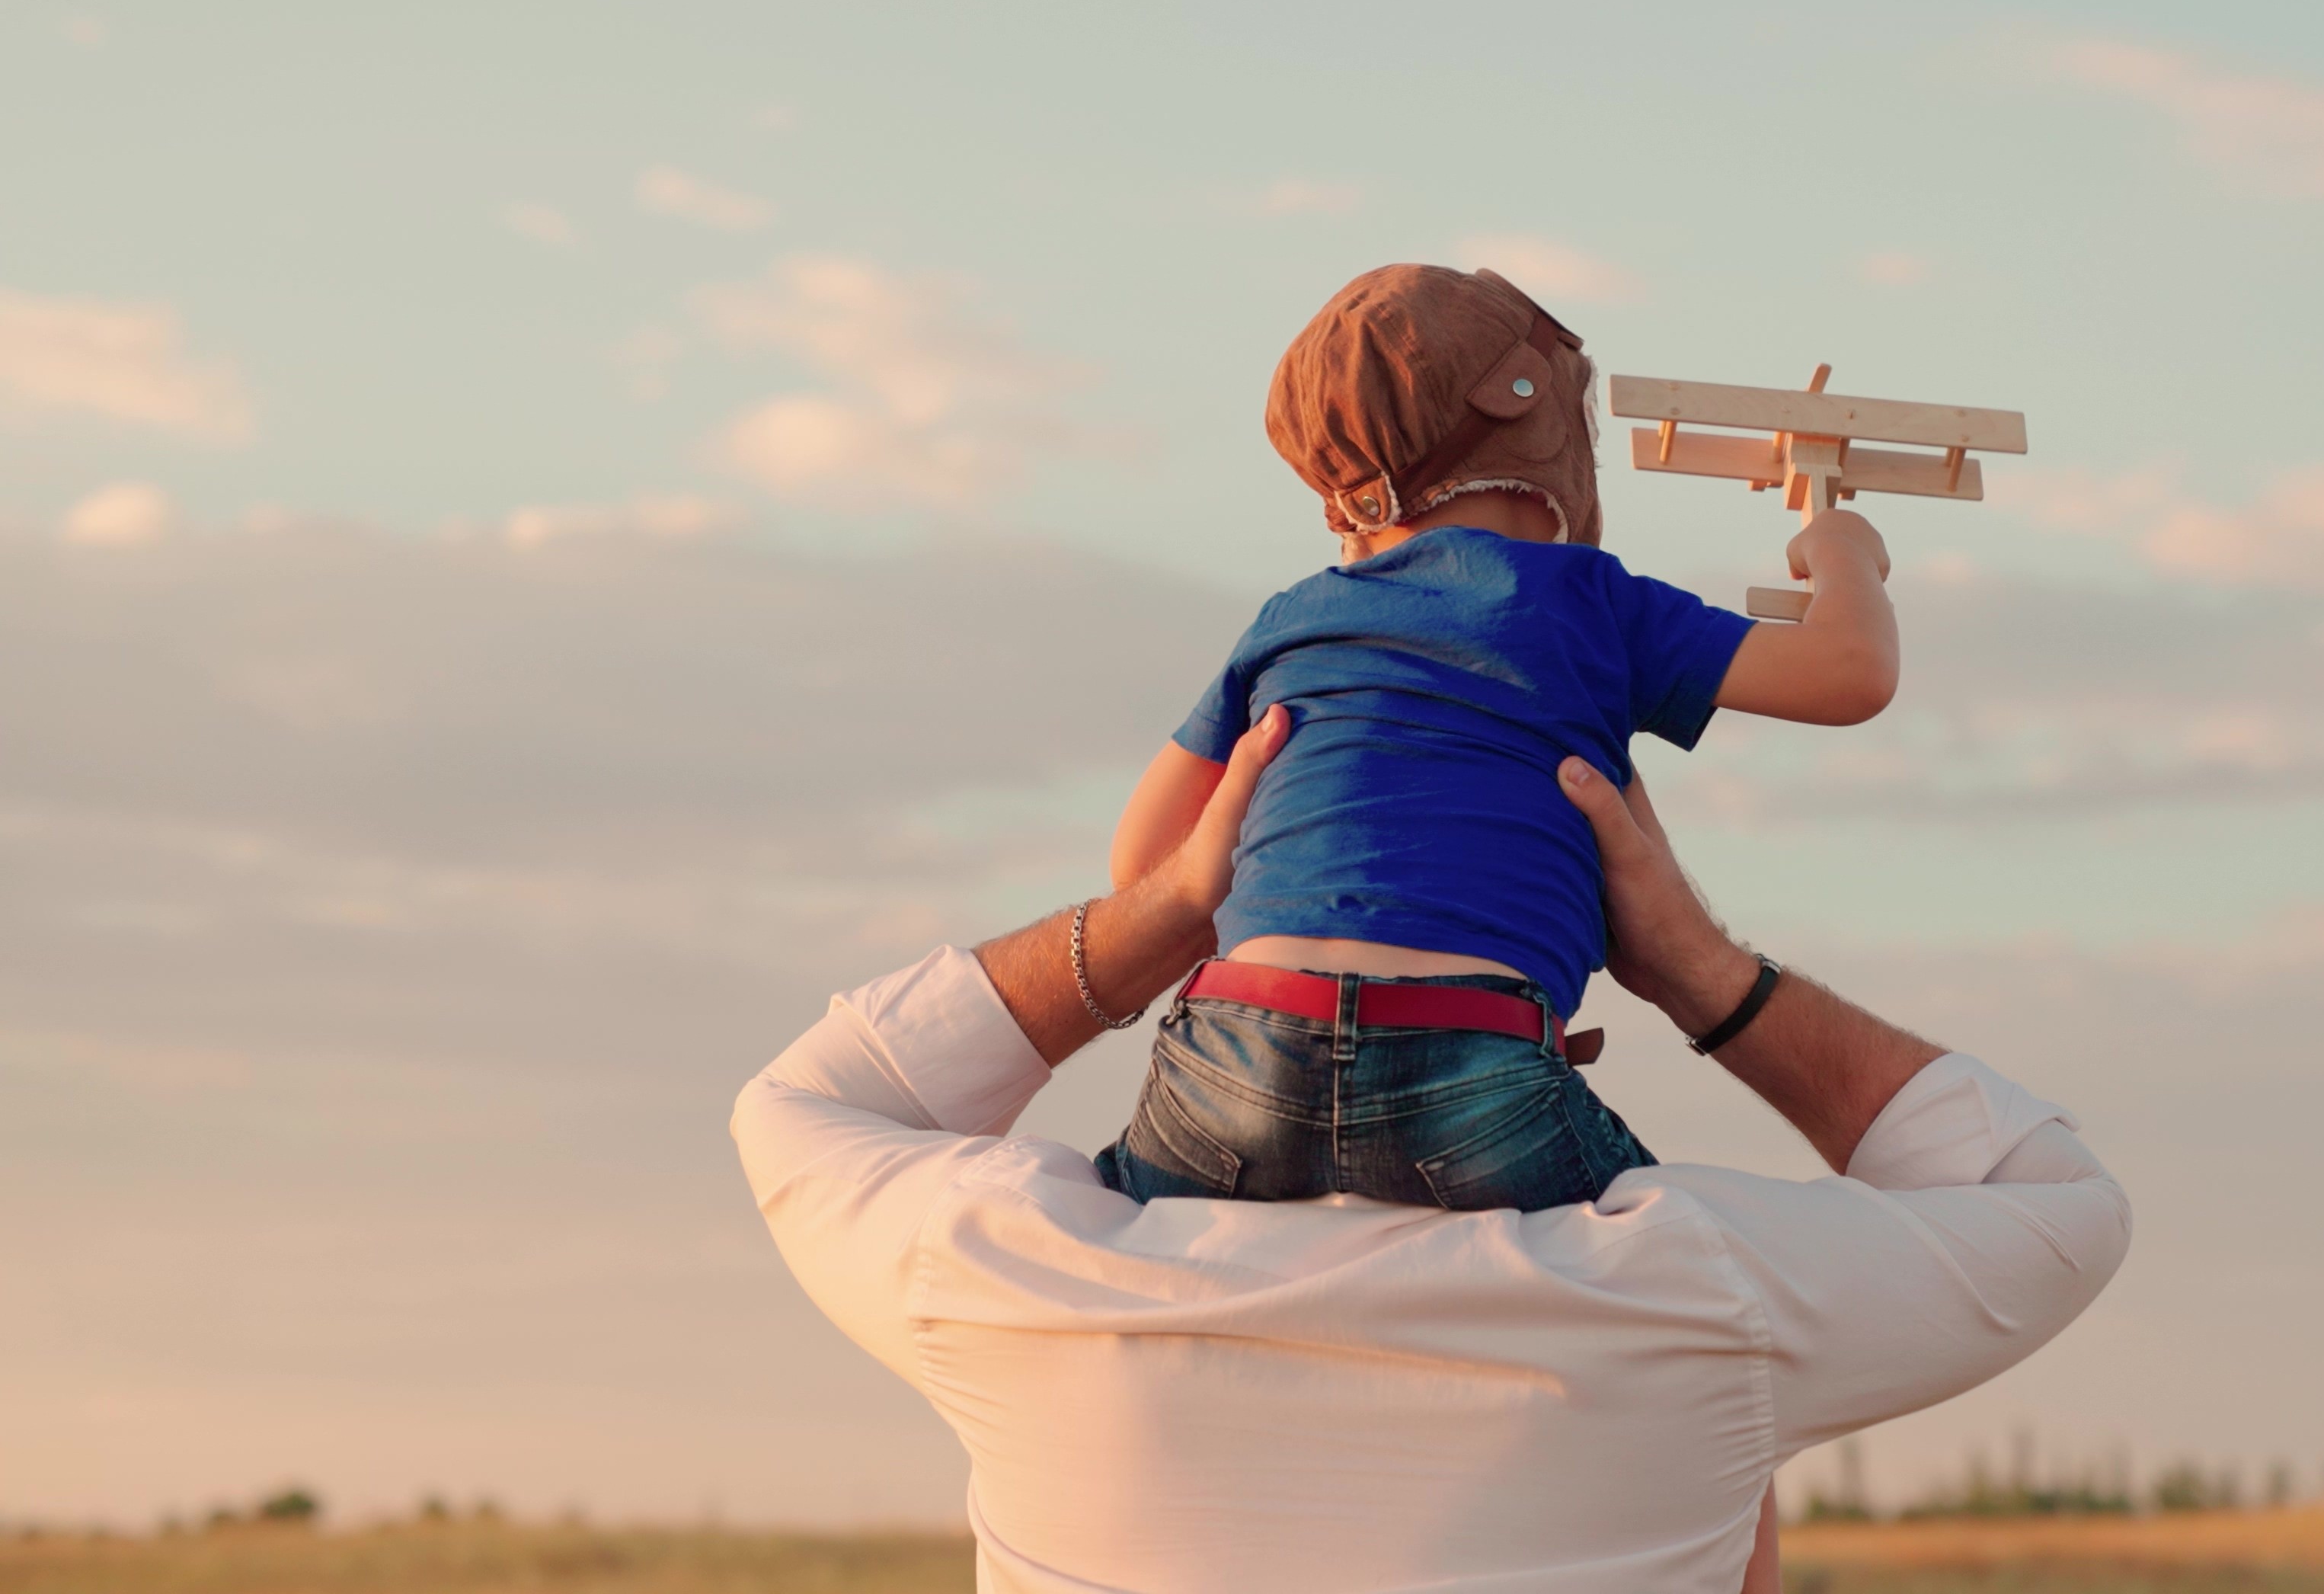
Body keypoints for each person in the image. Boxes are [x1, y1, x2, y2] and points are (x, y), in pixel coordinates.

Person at [732, 703, 2132, 1592]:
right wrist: (1707, 977)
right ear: (1545, 1029)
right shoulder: (1687, 1294)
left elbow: (803, 1106)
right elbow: (2050, 1196)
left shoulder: (1013, 1277)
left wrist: (1159, 910)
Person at [1098, 263, 1901, 1209]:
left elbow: (1145, 866)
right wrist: (1846, 553)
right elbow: (1850, 674)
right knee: (1662, 1257)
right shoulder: (1589, 602)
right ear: (1541, 417)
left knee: (1118, 1223)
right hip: (1473, 1053)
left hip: (1232, 1050)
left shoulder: (1296, 617)